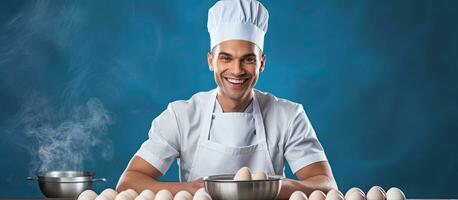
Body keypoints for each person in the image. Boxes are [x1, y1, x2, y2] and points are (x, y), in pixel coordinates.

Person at [117, 0, 337, 198]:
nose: (237, 70)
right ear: (211, 61)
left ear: (261, 63)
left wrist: (271, 187)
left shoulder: (288, 116)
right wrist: (195, 190)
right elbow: (129, 182)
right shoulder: (181, 116)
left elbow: (326, 185)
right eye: (226, 58)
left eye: (248, 59)